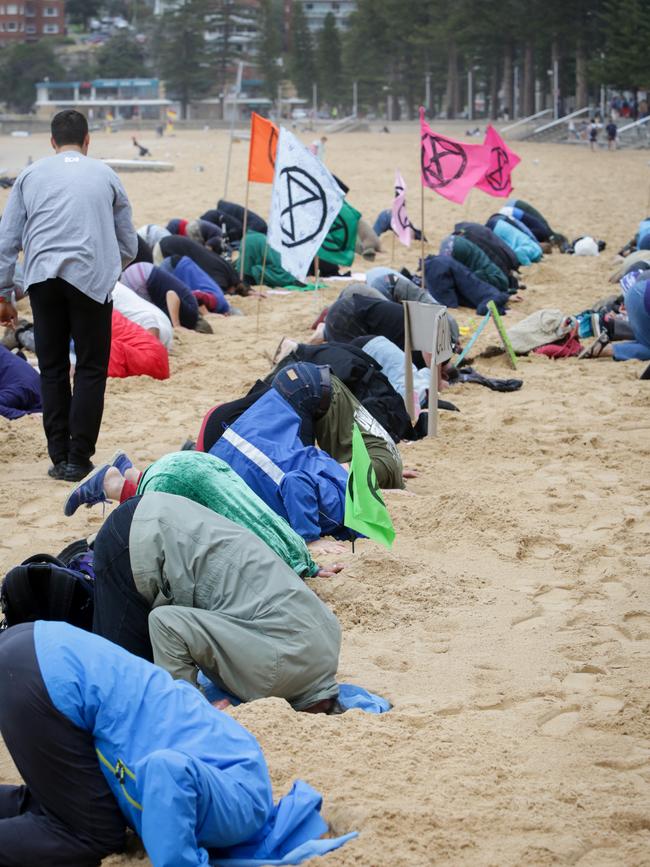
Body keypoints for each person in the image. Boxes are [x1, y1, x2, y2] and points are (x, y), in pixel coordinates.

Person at [0, 620, 354, 866]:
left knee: (63, 806)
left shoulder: (246, 768)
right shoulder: (243, 814)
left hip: (42, 645)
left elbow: (184, 696)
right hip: (49, 683)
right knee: (90, 836)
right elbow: (167, 771)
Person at [91, 492, 342, 711]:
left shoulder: (332, 636)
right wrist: (193, 707)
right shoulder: (271, 677)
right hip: (137, 541)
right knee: (122, 682)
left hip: (167, 515)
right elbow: (166, 623)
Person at [0, 109, 138, 482]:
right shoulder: (106, 174)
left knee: (53, 367)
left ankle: (58, 455)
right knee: (91, 369)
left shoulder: (30, 174)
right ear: (88, 140)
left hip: (42, 278)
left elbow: (7, 239)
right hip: (91, 280)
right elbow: (129, 242)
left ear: (52, 142)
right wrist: (111, 270)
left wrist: (3, 293)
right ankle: (79, 458)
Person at [63, 449, 340, 578]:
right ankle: (118, 480)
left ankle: (122, 479)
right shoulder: (289, 553)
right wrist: (310, 570)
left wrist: (311, 567)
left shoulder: (293, 548)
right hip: (185, 468)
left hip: (184, 466)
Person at [271, 362, 405, 489]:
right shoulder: (377, 469)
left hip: (315, 379)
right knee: (300, 474)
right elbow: (332, 473)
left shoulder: (391, 462)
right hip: (307, 390)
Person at [579, 273, 650, 361]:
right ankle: (608, 350)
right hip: (643, 300)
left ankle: (606, 346)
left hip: (635, 292)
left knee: (645, 341)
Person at [120, 261, 202, 330]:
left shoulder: (191, 310)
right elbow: (171, 295)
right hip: (144, 277)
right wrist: (177, 326)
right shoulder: (191, 317)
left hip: (142, 271)